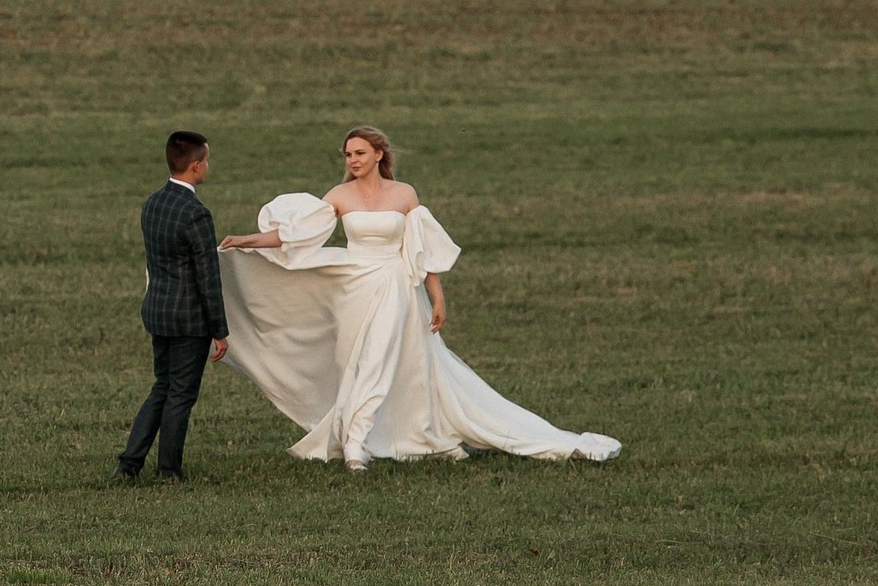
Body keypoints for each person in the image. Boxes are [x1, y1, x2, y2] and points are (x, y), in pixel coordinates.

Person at [218, 126, 620, 469]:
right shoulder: (338, 195)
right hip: (355, 288)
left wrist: (438, 298)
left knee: (393, 360)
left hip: (396, 286)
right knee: (354, 362)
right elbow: (294, 235)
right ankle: (369, 436)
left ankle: (358, 444)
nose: (352, 160)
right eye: (347, 155)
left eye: (359, 153)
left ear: (379, 154)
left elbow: (420, 252)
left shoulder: (404, 194)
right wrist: (247, 240)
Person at [114, 130, 229, 483]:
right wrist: (220, 330)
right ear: (195, 166)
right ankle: (169, 470)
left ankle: (129, 464)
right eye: (206, 161)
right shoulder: (196, 214)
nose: (207, 166)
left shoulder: (153, 202)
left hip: (158, 311)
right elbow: (207, 278)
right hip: (188, 319)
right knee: (181, 394)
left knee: (162, 386)